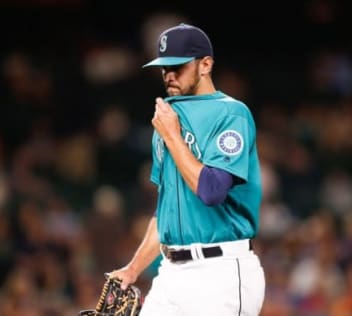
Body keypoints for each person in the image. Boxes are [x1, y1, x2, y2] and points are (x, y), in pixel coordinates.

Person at [108, 22, 265, 315]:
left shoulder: (231, 113)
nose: (169, 74)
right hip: (170, 274)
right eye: (164, 68)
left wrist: (171, 136)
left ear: (205, 64)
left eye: (178, 66)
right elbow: (165, 210)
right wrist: (133, 269)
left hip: (221, 273)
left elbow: (212, 190)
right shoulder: (167, 116)